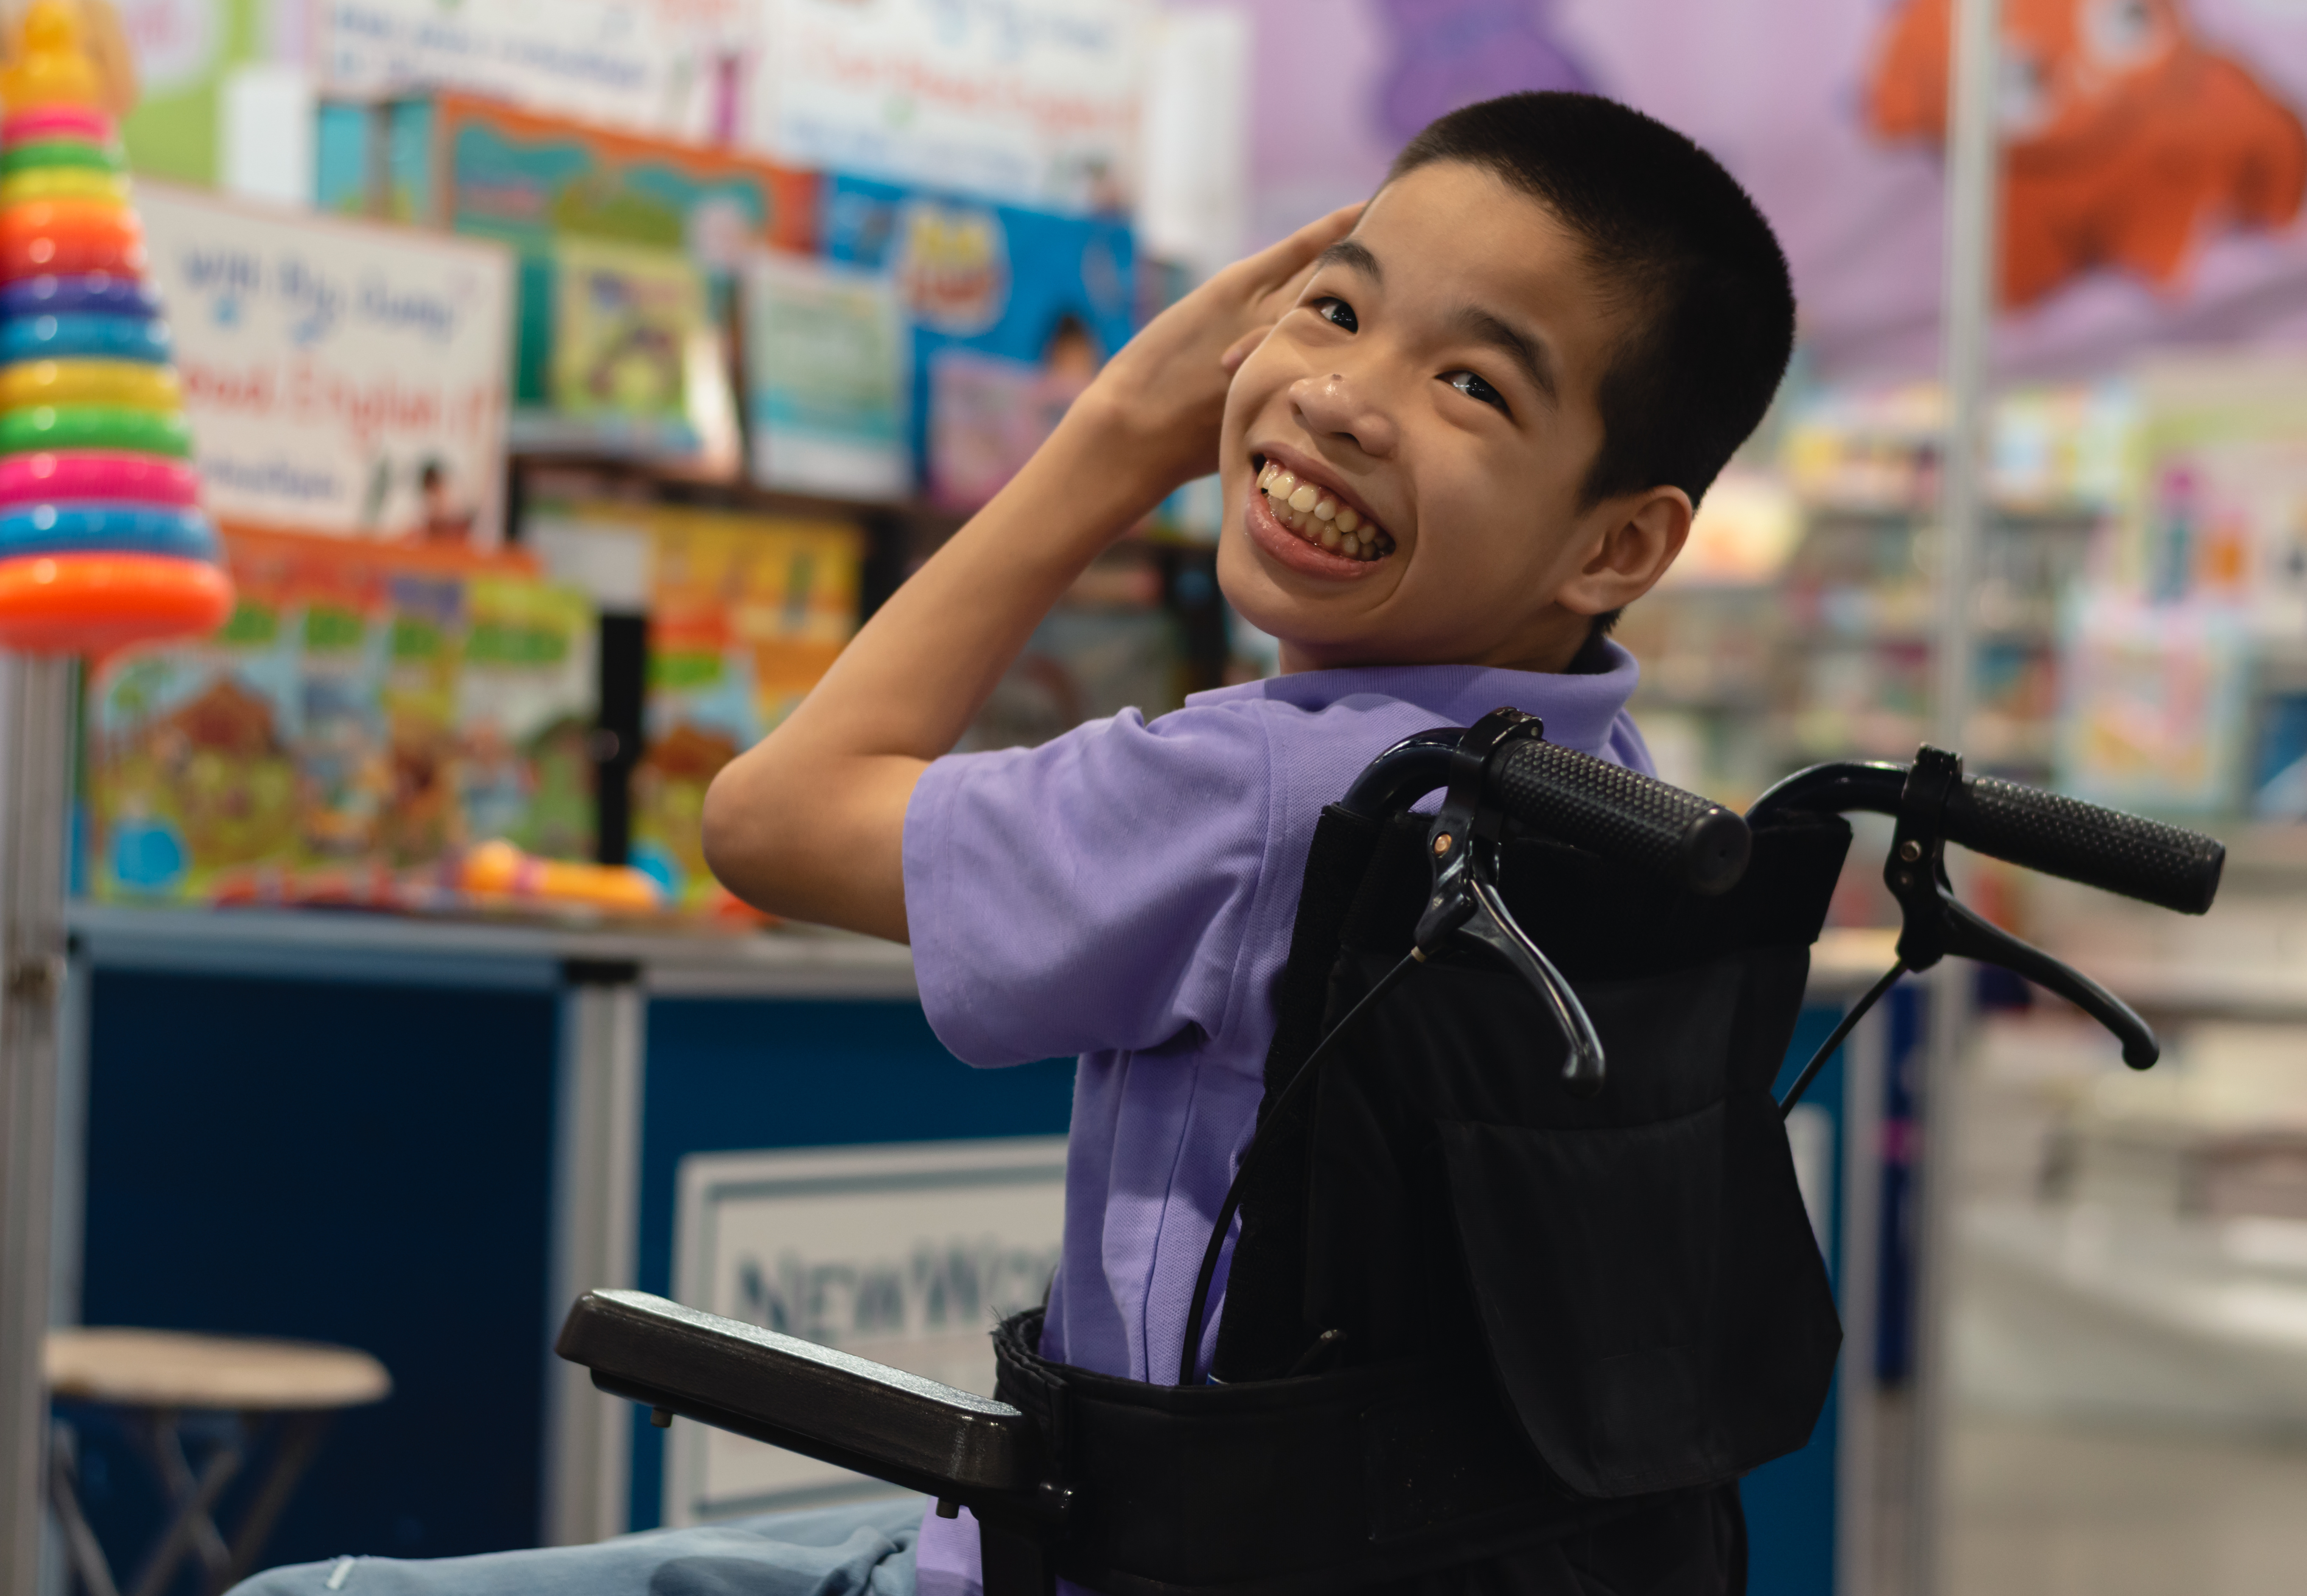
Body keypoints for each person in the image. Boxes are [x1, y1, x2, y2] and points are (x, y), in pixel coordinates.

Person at [230, 90, 1794, 1596]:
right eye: (1334, 309)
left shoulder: (1255, 796)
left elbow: (764, 819)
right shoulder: (1615, 792)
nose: (1340, 394)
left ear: (1620, 543)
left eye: (1473, 386)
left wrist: (1111, 435)